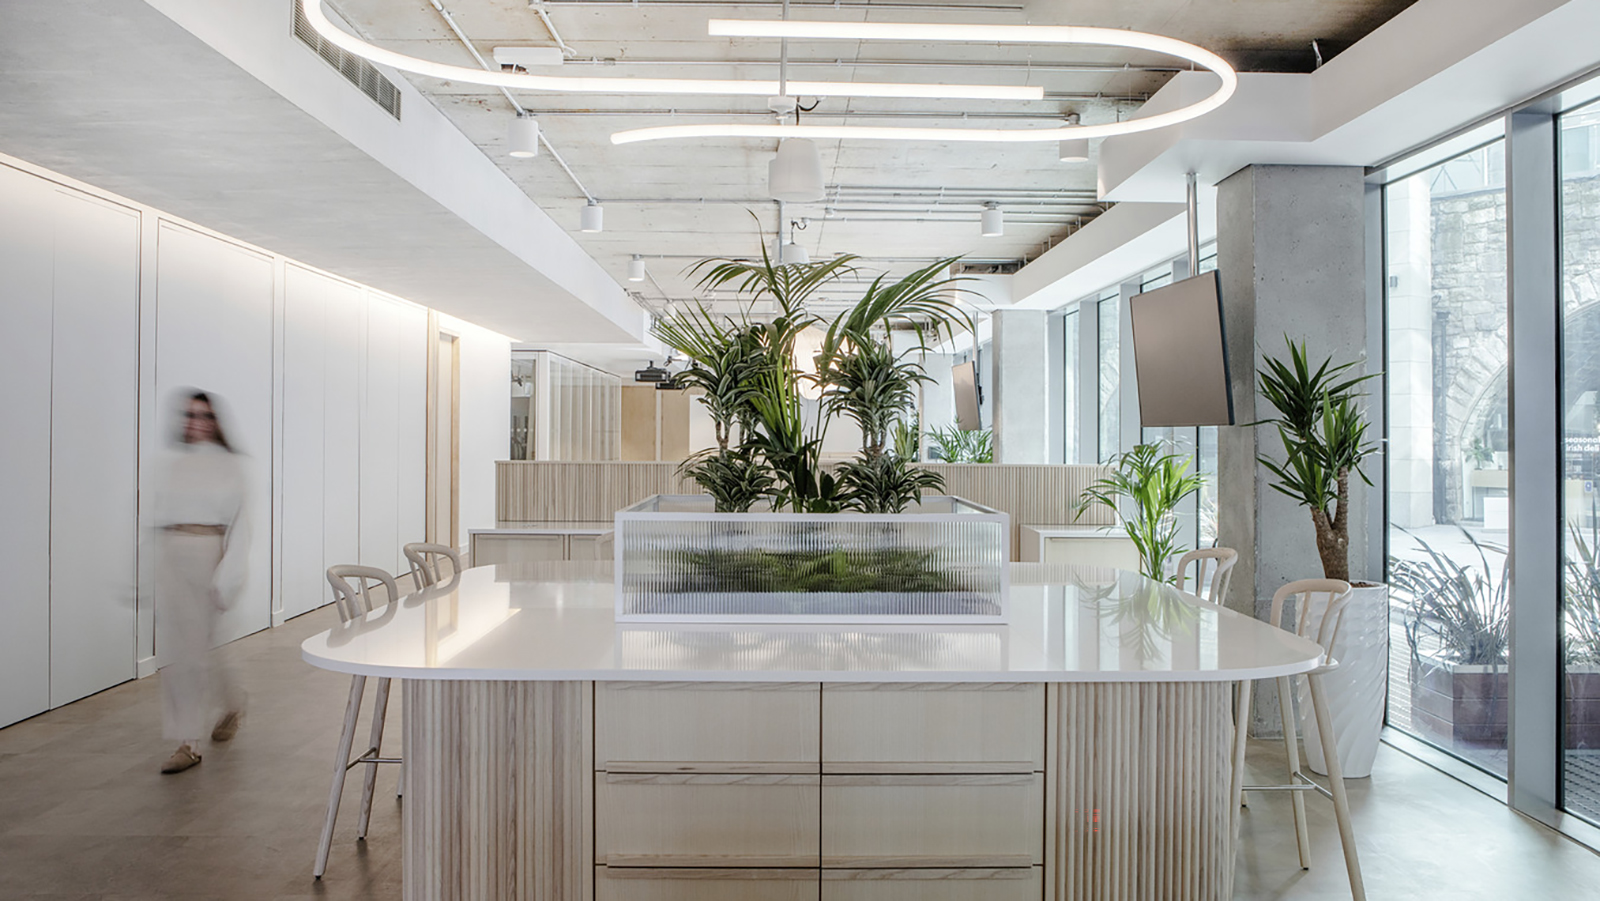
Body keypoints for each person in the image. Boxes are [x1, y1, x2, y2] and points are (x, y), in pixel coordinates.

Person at [152, 391, 251, 774]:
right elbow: (155, 516)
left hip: (207, 555)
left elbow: (241, 528)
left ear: (215, 421)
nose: (196, 421)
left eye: (204, 415)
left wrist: (228, 576)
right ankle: (221, 710)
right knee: (183, 650)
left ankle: (190, 740)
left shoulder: (231, 467)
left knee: (194, 649)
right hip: (172, 555)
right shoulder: (173, 465)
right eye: (190, 414)